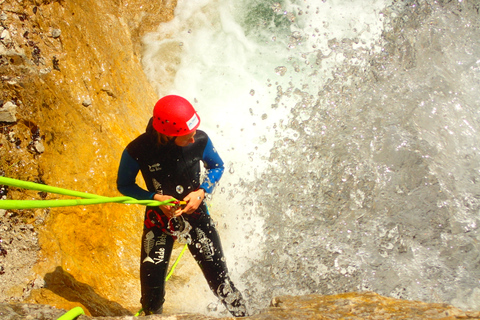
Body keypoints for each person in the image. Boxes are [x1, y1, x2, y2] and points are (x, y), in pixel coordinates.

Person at [116, 95, 248, 317]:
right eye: (187, 135)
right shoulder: (137, 150)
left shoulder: (200, 140)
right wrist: (154, 198)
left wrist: (201, 192)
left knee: (221, 284)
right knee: (151, 296)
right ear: (168, 134)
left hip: (196, 217)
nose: (193, 138)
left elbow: (217, 166)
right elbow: (125, 185)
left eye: (194, 131)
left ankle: (245, 316)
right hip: (158, 221)